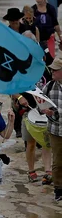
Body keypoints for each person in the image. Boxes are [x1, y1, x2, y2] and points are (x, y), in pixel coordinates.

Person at [42, 56, 62, 202]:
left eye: (55, 70)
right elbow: (41, 103)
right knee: (58, 161)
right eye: (52, 69)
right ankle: (58, 189)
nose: (52, 71)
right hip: (55, 129)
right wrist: (45, 110)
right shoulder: (49, 86)